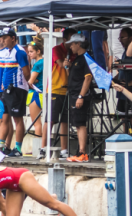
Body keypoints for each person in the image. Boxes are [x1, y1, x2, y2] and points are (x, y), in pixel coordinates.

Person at [0, 28, 30, 158]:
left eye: (5, 37)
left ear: (13, 38)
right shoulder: (8, 51)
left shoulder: (19, 52)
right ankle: (1, 147)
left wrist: (27, 84)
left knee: (17, 119)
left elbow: (26, 71)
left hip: (17, 89)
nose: (2, 40)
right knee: (4, 118)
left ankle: (18, 148)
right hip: (7, 90)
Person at [45, 28, 76, 160]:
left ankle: (64, 150)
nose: (74, 42)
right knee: (50, 119)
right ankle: (43, 148)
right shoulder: (56, 49)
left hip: (67, 89)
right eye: (71, 39)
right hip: (54, 88)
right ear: (65, 39)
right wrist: (67, 64)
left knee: (65, 120)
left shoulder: (74, 51)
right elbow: (60, 63)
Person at [65, 34, 94, 163]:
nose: (70, 46)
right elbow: (72, 77)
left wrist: (81, 96)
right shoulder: (77, 59)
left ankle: (82, 152)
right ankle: (80, 152)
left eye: (72, 44)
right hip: (73, 94)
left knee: (80, 123)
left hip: (79, 95)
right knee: (77, 123)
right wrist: (68, 67)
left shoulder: (86, 59)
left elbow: (88, 78)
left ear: (79, 44)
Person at [25, 40, 45, 158]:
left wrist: (32, 81)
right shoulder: (44, 62)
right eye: (28, 52)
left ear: (38, 51)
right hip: (42, 93)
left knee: (36, 123)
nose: (29, 54)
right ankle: (40, 148)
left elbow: (30, 82)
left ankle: (37, 149)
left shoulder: (37, 64)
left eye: (31, 52)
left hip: (36, 94)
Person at [115, 28, 132, 130]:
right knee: (124, 117)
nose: (120, 40)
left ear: (131, 38)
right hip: (124, 92)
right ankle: (127, 140)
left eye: (122, 37)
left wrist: (130, 84)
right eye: (119, 37)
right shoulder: (126, 51)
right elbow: (128, 54)